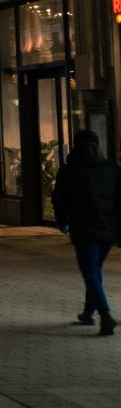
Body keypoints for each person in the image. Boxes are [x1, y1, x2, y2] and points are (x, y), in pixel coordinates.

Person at [52, 130, 120, 336]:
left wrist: (62, 222)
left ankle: (105, 315)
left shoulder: (69, 171)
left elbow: (59, 201)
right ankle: (88, 312)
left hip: (83, 229)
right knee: (95, 270)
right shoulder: (111, 169)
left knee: (90, 272)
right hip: (108, 229)